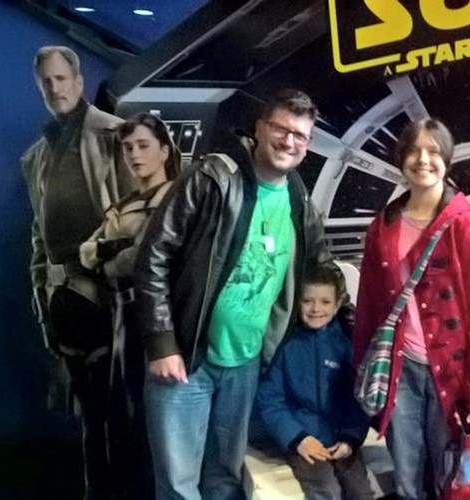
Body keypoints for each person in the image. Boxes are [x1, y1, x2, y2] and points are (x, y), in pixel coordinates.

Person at [134, 89, 346, 500]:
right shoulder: (213, 177)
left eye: (300, 135)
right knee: (178, 487)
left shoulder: (298, 197)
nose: (288, 141)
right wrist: (162, 343)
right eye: (281, 129)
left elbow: (322, 266)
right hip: (187, 358)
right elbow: (152, 257)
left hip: (246, 364)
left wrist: (359, 328)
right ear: (260, 128)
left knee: (225, 480)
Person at [352, 118, 470, 500]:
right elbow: (369, 307)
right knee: (406, 478)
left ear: (446, 159)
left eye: (432, 151)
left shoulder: (468, 228)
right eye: (413, 151)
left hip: (454, 375)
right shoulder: (383, 226)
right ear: (401, 157)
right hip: (401, 369)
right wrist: (363, 366)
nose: (422, 160)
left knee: (454, 480)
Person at [21, 45, 135, 499]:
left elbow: (136, 221)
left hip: (112, 300)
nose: (54, 88)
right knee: (90, 420)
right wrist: (42, 299)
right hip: (63, 304)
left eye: (61, 78)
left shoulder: (115, 136)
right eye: (46, 81)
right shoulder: (37, 156)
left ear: (79, 81)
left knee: (120, 421)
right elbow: (39, 237)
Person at [79, 112, 179, 500]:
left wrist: (109, 253)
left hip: (152, 318)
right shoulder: (125, 203)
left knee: (149, 420)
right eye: (128, 148)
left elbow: (141, 260)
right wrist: (112, 249)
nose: (135, 155)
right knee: (121, 417)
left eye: (143, 146)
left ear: (164, 151)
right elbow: (86, 252)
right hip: (120, 317)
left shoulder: (171, 199)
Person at [257, 266, 374, 500]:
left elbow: (358, 399)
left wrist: (350, 439)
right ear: (296, 302)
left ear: (337, 305)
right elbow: (270, 401)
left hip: (341, 439)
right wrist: (298, 438)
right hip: (303, 439)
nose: (316, 309)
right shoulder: (283, 345)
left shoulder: (347, 343)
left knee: (360, 492)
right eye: (307, 301)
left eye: (325, 302)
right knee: (326, 490)